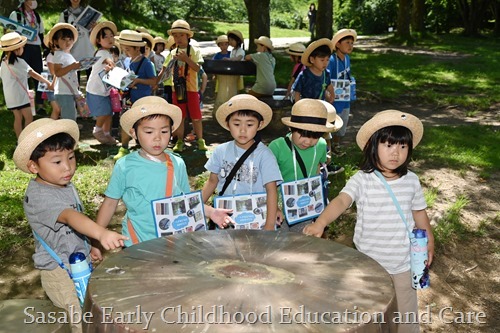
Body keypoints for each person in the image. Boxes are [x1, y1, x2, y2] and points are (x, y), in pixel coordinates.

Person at [304, 110, 434, 332]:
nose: (396, 153)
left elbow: (419, 214)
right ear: (374, 146)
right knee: (371, 315)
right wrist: (320, 222)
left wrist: (430, 240)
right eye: (389, 145)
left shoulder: (411, 181)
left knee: (406, 317)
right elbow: (341, 201)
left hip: (403, 264)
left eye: (403, 147)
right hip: (369, 265)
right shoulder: (362, 180)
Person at [12, 118, 128, 333]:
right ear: (32, 166)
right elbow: (71, 217)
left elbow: (75, 227)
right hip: (59, 273)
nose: (68, 167)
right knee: (81, 317)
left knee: (96, 306)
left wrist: (91, 246)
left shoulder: (62, 184)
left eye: (71, 157)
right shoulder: (39, 197)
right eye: (57, 162)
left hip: (78, 264)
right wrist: (101, 233)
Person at [95, 96, 233, 248]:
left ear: (172, 131)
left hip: (171, 243)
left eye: (164, 131)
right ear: (133, 133)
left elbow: (186, 202)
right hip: (136, 243)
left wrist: (211, 212)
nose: (157, 138)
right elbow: (109, 204)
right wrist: (97, 239)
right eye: (149, 131)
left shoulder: (177, 163)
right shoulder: (125, 166)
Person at [201, 94, 283, 231]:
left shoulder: (265, 155)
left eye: (250, 124)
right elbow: (212, 181)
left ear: (260, 124)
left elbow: (271, 190)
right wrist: (197, 207)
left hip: (257, 221)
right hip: (226, 219)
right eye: (237, 124)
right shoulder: (220, 151)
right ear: (228, 124)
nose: (243, 130)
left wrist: (269, 226)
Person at [269, 99, 341, 232]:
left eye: (314, 136)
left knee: (301, 243)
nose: (307, 141)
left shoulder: (321, 145)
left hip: (306, 204)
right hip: (280, 206)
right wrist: (274, 207)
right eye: (302, 134)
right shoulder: (277, 146)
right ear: (291, 128)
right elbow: (268, 179)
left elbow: (317, 169)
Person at [163, 20, 207, 153]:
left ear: (188, 36)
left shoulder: (194, 50)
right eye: (175, 35)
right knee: (179, 116)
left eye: (181, 35)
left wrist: (186, 59)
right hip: (176, 89)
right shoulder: (172, 53)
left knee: (196, 116)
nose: (178, 38)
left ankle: (200, 140)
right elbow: (165, 69)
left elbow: (198, 68)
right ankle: (180, 141)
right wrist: (157, 80)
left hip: (192, 88)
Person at [113, 29, 156, 160]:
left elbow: (153, 81)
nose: (126, 52)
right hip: (128, 98)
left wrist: (138, 80)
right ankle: (124, 147)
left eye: (128, 49)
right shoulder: (127, 61)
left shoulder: (147, 63)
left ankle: (145, 146)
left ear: (137, 48)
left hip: (142, 99)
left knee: (143, 123)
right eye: (124, 49)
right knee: (125, 121)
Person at [1, 32, 51, 139]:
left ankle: (20, 140)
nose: (23, 49)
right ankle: (26, 140)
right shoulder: (20, 62)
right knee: (28, 118)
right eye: (22, 47)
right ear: (17, 49)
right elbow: (34, 74)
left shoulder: (3, 62)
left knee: (18, 118)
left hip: (10, 96)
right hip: (20, 95)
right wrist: (47, 82)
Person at [9, 0, 46, 115]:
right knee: (22, 76)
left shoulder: (37, 16)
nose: (33, 1)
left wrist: (45, 49)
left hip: (35, 48)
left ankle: (40, 105)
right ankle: (22, 106)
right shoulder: (16, 14)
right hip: (22, 49)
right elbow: (11, 32)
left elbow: (41, 33)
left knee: (38, 75)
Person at [85, 21, 118, 145]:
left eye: (111, 36)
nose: (110, 39)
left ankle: (106, 134)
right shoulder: (102, 53)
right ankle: (97, 130)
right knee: (104, 112)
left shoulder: (107, 51)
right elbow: (109, 61)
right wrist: (112, 65)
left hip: (103, 89)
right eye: (105, 37)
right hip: (96, 89)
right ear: (98, 41)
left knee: (109, 113)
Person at [328, 29, 357, 156]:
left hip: (345, 96)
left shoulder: (347, 59)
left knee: (343, 121)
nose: (350, 45)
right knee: (332, 121)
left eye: (352, 43)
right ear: (337, 44)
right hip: (334, 97)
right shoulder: (331, 60)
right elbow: (327, 77)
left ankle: (336, 145)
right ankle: (329, 148)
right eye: (347, 42)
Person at [50, 23, 81, 121]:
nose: (67, 42)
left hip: (69, 91)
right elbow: (58, 72)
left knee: (71, 116)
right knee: (69, 119)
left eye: (70, 39)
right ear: (56, 41)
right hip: (64, 92)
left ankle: (68, 134)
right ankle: (67, 135)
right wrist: (72, 66)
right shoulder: (59, 55)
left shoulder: (68, 55)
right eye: (63, 39)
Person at [59, 0, 95, 83]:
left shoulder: (88, 13)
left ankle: (90, 96)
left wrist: (94, 27)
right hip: (73, 52)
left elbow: (93, 34)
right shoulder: (65, 15)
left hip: (88, 50)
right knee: (75, 80)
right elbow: (60, 33)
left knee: (91, 79)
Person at [292, 38, 334, 103]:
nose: (325, 63)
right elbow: (297, 92)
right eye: (322, 60)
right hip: (306, 107)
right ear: (312, 59)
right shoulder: (304, 75)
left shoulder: (326, 74)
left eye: (327, 60)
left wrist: (332, 95)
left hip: (320, 106)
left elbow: (329, 86)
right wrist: (298, 107)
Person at [43, 35, 61, 120]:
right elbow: (53, 73)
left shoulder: (63, 55)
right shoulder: (51, 56)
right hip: (52, 85)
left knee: (60, 108)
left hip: (61, 85)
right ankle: (51, 128)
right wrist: (53, 85)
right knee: (56, 109)